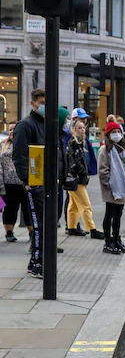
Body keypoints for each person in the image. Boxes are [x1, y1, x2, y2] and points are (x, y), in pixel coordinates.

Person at [12, 89, 49, 276]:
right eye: (41, 103)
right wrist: (27, 180)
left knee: (46, 224)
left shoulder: (46, 124)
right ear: (33, 103)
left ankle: (40, 260)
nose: (44, 106)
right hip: (34, 183)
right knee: (38, 224)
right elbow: (19, 156)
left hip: (46, 182)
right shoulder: (25, 125)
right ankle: (36, 262)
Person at [98, 121, 125, 255]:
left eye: (118, 132)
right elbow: (103, 171)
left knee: (118, 215)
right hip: (111, 189)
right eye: (113, 132)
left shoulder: (122, 148)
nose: (117, 134)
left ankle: (117, 239)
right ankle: (108, 241)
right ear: (108, 134)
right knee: (109, 214)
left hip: (122, 188)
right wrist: (111, 184)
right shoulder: (105, 150)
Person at [66, 118, 104, 240]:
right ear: (74, 129)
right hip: (77, 178)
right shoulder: (75, 143)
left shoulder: (78, 142)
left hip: (74, 178)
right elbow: (76, 162)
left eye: (83, 128)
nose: (82, 130)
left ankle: (72, 227)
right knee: (85, 205)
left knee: (73, 205)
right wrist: (83, 173)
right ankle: (92, 229)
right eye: (79, 128)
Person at [0, 122, 30, 242]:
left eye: (14, 129)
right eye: (10, 129)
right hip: (8, 183)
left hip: (24, 182)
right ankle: (9, 232)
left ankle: (32, 232)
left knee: (27, 209)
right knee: (10, 209)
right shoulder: (3, 145)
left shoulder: (25, 143)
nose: (12, 132)